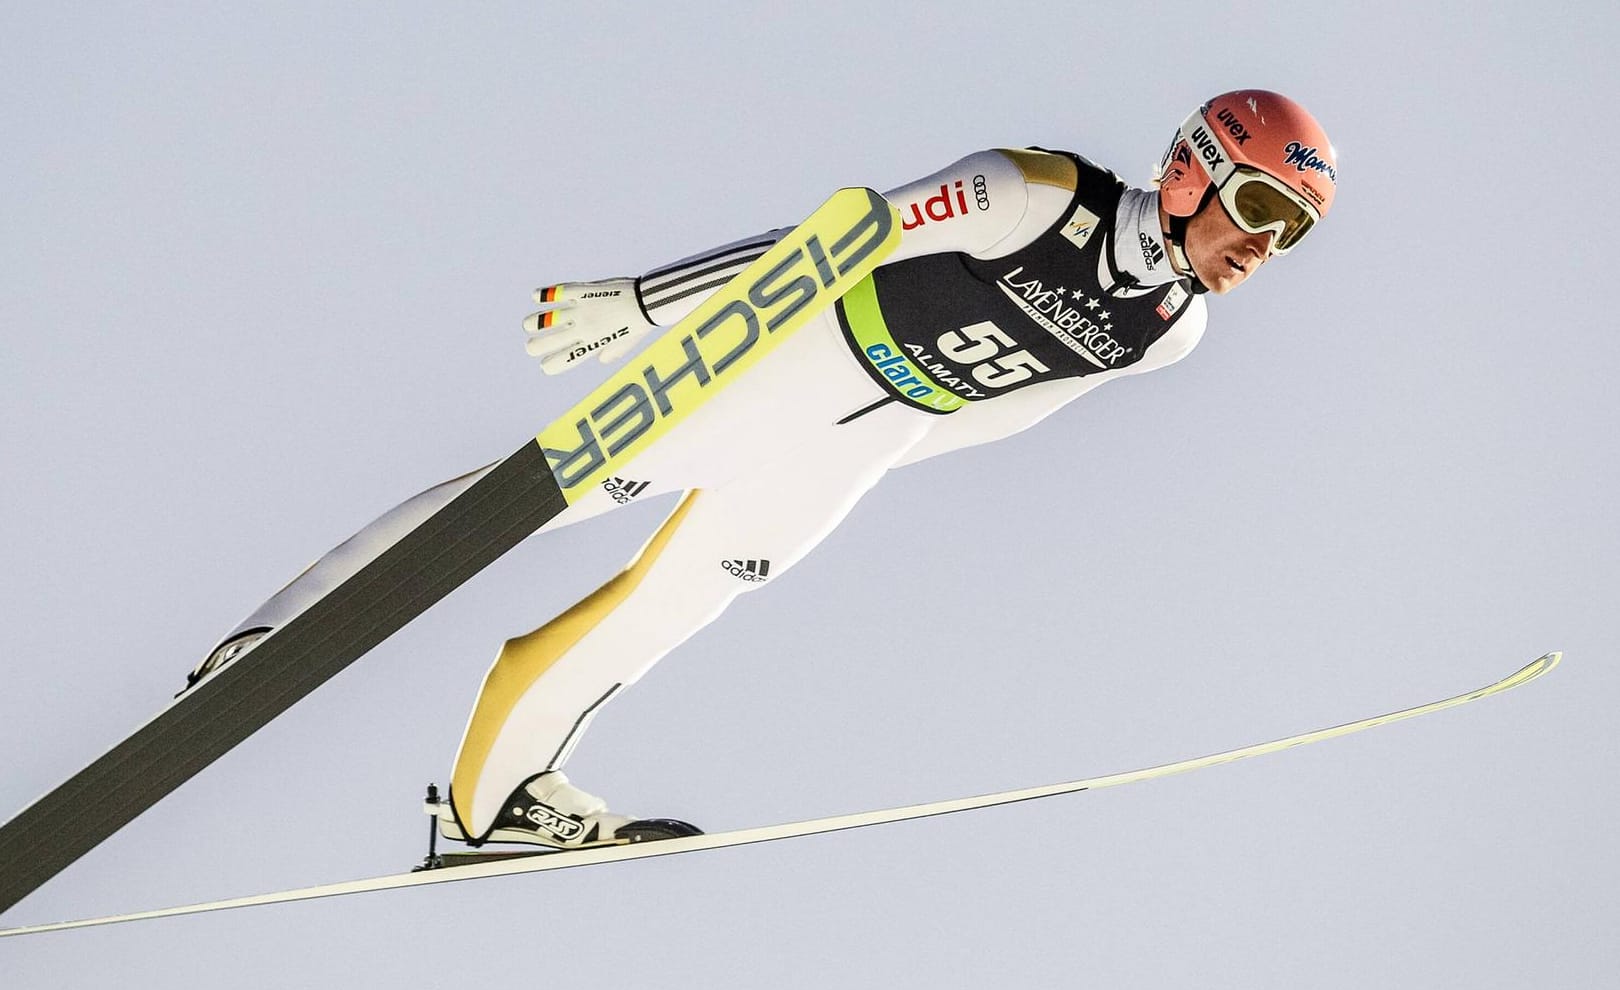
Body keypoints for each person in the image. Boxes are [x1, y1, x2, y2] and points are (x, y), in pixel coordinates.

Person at [186, 89, 1338, 849]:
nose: (1258, 244)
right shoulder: (1030, 191)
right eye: (1254, 206)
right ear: (1192, 169)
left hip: (866, 431)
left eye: (1289, 232)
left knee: (689, 597)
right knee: (538, 497)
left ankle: (498, 797)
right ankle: (275, 635)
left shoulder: (1169, 334)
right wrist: (639, 306)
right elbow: (834, 241)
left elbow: (1017, 411)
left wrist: (879, 446)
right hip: (786, 359)